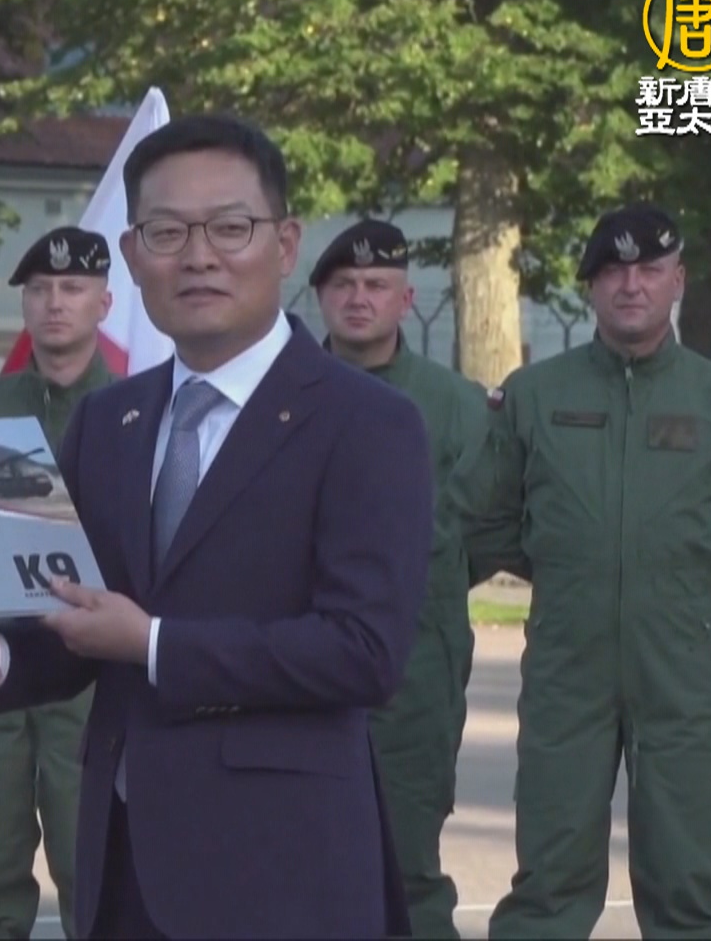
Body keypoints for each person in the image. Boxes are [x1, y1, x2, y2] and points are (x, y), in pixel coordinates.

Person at [0, 113, 435, 938]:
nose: (198, 256)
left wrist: (154, 643)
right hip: (124, 862)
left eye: (230, 227)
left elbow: (362, 651)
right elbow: (75, 618)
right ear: (131, 255)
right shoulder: (109, 420)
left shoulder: (368, 422)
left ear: (285, 243)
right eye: (166, 232)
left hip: (283, 868)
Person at [456, 205, 711, 940]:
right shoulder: (534, 395)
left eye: (650, 269)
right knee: (548, 882)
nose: (631, 285)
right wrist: (568, 562)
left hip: (680, 665)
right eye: (613, 271)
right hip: (566, 664)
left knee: (687, 883)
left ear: (678, 280)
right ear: (590, 286)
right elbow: (483, 517)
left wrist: (682, 567)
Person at [0, 225, 119, 941]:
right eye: (40, 290)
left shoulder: (135, 409)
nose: (55, 303)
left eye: (72, 288)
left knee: (97, 879)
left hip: (92, 680)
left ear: (104, 302)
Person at [311, 217, 488, 940]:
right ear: (319, 296)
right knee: (298, 860)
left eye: (376, 285)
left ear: (406, 299)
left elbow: (485, 526)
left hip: (415, 671)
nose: (359, 298)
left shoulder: (455, 405)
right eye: (344, 284)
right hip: (295, 659)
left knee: (407, 860)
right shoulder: (281, 393)